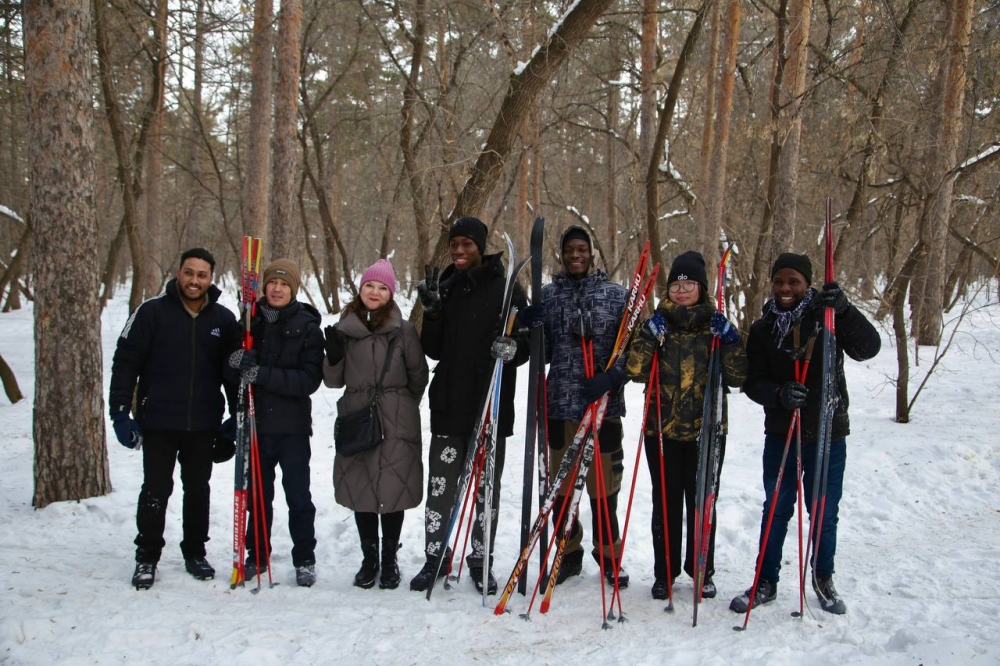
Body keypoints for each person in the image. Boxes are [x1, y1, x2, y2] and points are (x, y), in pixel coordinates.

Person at [729, 252, 880, 615]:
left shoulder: (827, 317)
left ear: (807, 284)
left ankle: (822, 578)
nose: (785, 288)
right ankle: (765, 580)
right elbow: (752, 382)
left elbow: (868, 348)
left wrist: (844, 310)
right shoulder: (764, 328)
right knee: (776, 507)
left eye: (793, 281)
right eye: (779, 280)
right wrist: (778, 395)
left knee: (824, 511)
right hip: (782, 431)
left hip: (827, 429)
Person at [408, 216, 528, 595]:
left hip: (490, 403)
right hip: (449, 404)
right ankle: (435, 557)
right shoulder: (445, 286)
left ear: (480, 245)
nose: (459, 251)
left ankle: (480, 559)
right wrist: (433, 312)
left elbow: (524, 342)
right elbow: (434, 349)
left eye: (467, 244)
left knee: (485, 489)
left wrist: (512, 348)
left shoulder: (506, 287)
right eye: (454, 244)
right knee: (440, 487)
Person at [109, 248, 240, 590]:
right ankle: (147, 556)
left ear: (212, 278)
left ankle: (195, 552)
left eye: (201, 275)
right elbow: (125, 363)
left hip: (203, 423)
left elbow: (233, 374)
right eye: (189, 273)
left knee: (197, 490)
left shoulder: (223, 321)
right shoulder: (151, 313)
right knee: (156, 489)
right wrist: (120, 412)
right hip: (158, 422)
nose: (194, 280)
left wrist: (234, 421)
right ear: (178, 273)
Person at [625, 250, 747, 601]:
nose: (681, 290)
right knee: (665, 503)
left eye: (689, 283)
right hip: (660, 430)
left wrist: (732, 340)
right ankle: (665, 572)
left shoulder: (716, 325)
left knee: (703, 501)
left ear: (702, 288)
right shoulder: (657, 323)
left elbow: (738, 377)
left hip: (706, 431)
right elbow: (633, 372)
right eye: (676, 283)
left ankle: (702, 570)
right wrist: (647, 335)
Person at [519, 225, 631, 587]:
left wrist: (612, 378)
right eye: (569, 250)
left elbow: (639, 351)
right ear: (562, 254)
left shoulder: (617, 296)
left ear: (592, 251)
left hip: (603, 409)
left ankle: (609, 556)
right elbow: (544, 353)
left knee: (603, 489)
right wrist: (529, 329)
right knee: (562, 489)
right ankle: (568, 555)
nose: (576, 255)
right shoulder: (549, 296)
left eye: (582, 248)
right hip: (560, 406)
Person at [323, 259, 429, 590]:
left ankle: (389, 560)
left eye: (383, 287)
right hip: (357, 415)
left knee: (392, 488)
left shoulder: (404, 331)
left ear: (391, 294)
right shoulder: (344, 327)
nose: (375, 292)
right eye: (370, 285)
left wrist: (399, 404)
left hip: (397, 418)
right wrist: (334, 356)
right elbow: (332, 381)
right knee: (362, 487)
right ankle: (369, 560)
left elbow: (418, 376)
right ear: (361, 288)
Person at [226, 258, 324, 587]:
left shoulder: (307, 325)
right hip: (257, 426)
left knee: (298, 496)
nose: (278, 288)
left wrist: (263, 374)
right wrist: (237, 361)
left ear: (293, 289)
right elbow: (231, 369)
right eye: (272, 283)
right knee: (258, 495)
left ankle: (305, 558)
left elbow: (309, 379)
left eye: (284, 284)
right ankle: (258, 553)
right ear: (264, 287)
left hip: (292, 427)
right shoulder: (250, 323)